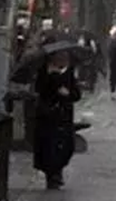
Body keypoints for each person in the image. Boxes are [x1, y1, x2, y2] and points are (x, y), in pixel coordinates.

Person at [33, 50, 82, 190]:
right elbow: (39, 90)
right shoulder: (44, 72)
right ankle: (52, 175)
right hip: (48, 116)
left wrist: (67, 94)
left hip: (64, 116)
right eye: (60, 58)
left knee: (67, 147)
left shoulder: (69, 72)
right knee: (49, 146)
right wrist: (51, 80)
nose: (63, 60)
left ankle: (58, 170)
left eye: (65, 58)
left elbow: (76, 94)